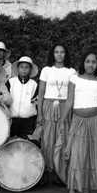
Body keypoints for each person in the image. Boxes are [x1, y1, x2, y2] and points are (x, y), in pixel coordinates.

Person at [54, 51, 97, 193]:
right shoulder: (74, 79)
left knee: (92, 156)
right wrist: (61, 120)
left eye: (94, 62)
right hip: (78, 121)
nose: (90, 64)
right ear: (83, 63)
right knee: (77, 156)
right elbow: (69, 101)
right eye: (87, 61)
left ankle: (87, 191)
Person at [33, 44, 76, 182]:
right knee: (47, 138)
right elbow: (41, 92)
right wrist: (39, 112)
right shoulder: (46, 70)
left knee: (63, 138)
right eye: (56, 52)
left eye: (62, 52)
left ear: (66, 54)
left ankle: (61, 172)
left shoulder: (71, 71)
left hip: (65, 106)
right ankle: (47, 170)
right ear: (52, 54)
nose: (59, 55)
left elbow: (71, 94)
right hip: (49, 105)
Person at [6, 56, 38, 139]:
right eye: (21, 67)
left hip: (28, 122)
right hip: (11, 120)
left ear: (30, 70)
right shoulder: (10, 82)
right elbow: (5, 99)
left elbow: (36, 103)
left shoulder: (34, 84)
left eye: (27, 67)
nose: (24, 69)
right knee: (10, 143)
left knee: (25, 145)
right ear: (18, 69)